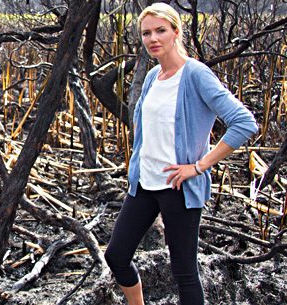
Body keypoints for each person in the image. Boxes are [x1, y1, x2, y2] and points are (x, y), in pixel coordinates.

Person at [103, 2, 258, 305]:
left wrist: (198, 166)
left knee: (184, 272)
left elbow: (244, 123)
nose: (153, 38)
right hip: (144, 184)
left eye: (160, 30)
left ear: (176, 31)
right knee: (117, 255)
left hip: (179, 187)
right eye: (146, 33)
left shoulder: (196, 75)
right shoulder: (151, 77)